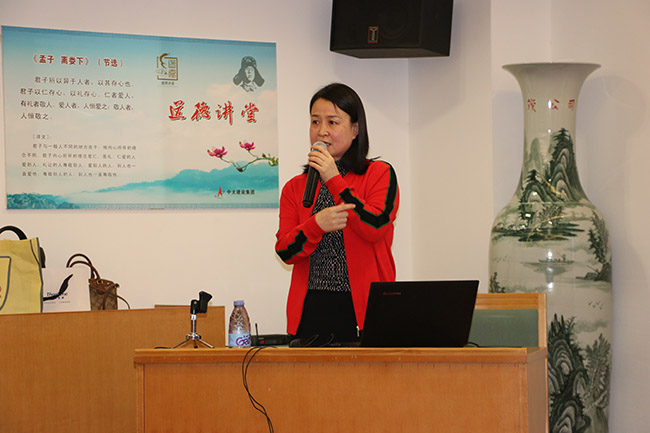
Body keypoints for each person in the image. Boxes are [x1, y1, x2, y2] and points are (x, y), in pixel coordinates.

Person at [275, 83, 399, 345]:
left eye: (332, 122)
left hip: (364, 309)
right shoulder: (295, 187)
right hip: (311, 309)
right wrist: (315, 225)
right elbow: (285, 251)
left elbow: (375, 227)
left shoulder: (379, 174)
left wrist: (334, 179)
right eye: (315, 122)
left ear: (355, 129)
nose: (322, 131)